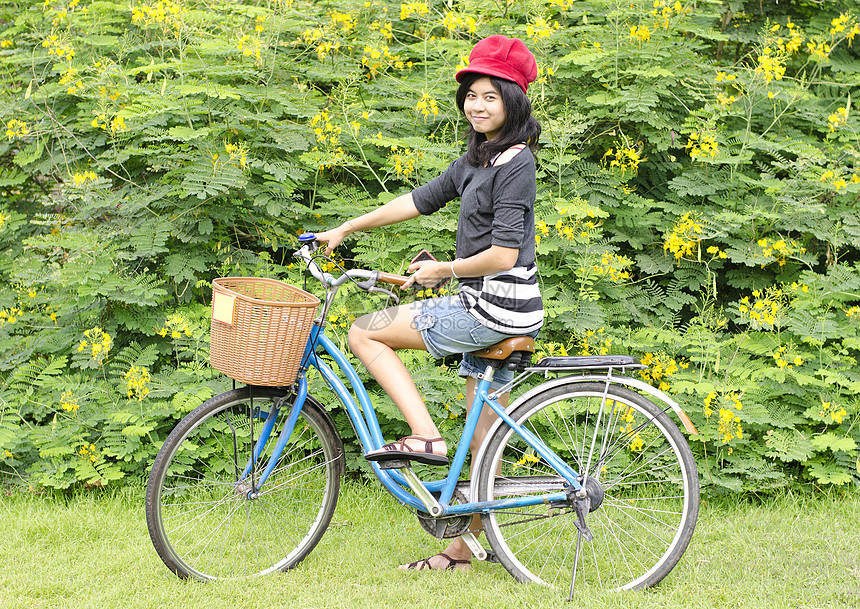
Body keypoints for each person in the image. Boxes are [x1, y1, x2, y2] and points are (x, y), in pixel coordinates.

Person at [315, 35, 544, 571]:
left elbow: (505, 253)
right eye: (471, 95)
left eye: (491, 95)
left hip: (494, 305)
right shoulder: (477, 160)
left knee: (364, 330)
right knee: (482, 439)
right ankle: (461, 552)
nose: (478, 105)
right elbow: (418, 201)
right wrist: (347, 227)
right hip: (496, 303)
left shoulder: (516, 165)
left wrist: (444, 270)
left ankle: (424, 438)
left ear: (514, 101)